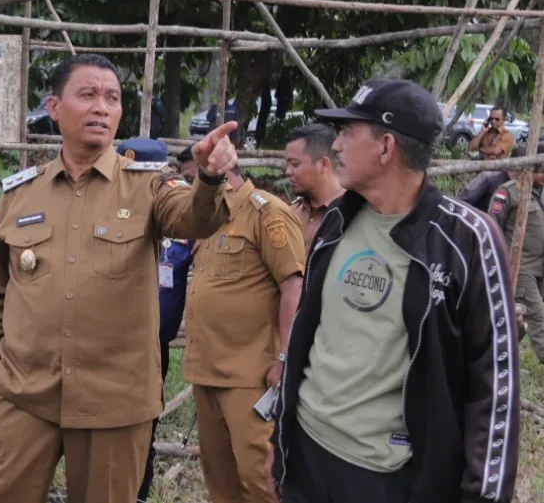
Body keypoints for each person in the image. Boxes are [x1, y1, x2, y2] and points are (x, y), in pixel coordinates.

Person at [0, 53, 239, 503]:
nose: (101, 107)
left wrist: (209, 179)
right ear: (55, 108)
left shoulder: (149, 187)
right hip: (22, 396)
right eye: (88, 95)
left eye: (111, 98)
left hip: (114, 405)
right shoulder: (21, 193)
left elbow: (194, 219)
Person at [271, 79, 519, 503]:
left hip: (387, 478)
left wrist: (483, 495)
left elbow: (495, 384)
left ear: (386, 147)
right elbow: (307, 334)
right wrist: (281, 440)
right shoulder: (337, 222)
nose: (335, 147)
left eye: (348, 133)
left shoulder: (467, 240)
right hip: (308, 454)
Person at [183, 164, 305, 503]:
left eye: (191, 178)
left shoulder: (267, 213)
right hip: (207, 370)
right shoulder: (207, 219)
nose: (190, 189)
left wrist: (284, 357)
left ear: (221, 174)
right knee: (220, 481)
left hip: (250, 376)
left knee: (260, 480)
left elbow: (293, 286)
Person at [126, 142, 197, 503]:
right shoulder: (107, 214)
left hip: (154, 349)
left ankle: (138, 494)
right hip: (108, 346)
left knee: (144, 427)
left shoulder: (182, 222)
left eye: (154, 175)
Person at [489, 142, 544, 364]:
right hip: (521, 269)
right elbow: (492, 229)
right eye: (540, 167)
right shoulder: (509, 192)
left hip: (540, 268)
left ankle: (497, 355)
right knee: (539, 318)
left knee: (518, 322)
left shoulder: (540, 194)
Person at [285, 124, 344, 252]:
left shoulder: (349, 216)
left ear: (323, 164)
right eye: (287, 164)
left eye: (295, 164)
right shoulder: (290, 214)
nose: (288, 171)